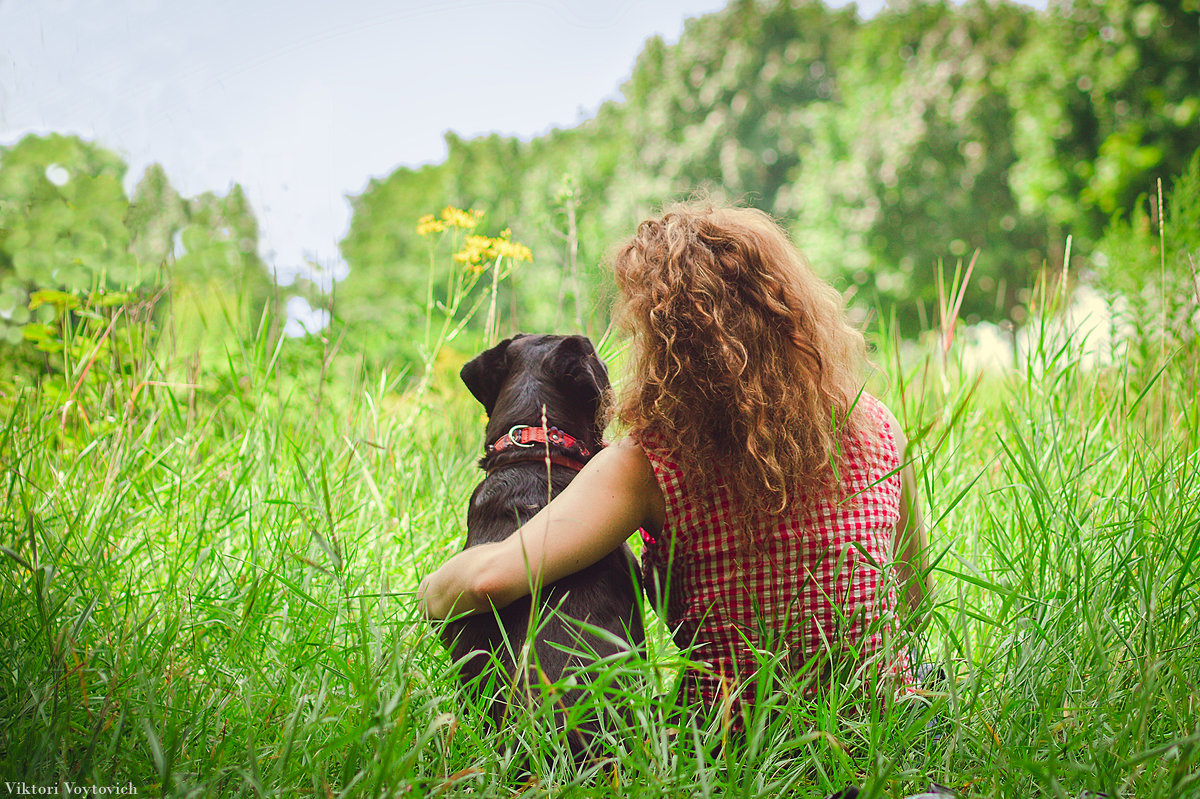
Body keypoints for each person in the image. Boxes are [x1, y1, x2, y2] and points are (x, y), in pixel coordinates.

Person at [418, 202, 931, 716]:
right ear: (792, 307)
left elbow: (490, 580)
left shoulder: (649, 463)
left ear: (666, 342)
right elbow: (914, 600)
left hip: (728, 742)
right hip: (883, 719)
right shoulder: (877, 423)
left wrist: (429, 592)